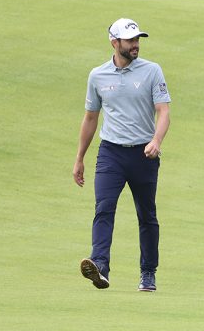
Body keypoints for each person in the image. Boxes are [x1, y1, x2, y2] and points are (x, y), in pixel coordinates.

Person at [73, 18, 171, 292]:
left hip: (144, 154)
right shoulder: (98, 76)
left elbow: (163, 111)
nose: (136, 44)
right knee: (103, 209)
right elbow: (91, 118)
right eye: (130, 41)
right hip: (111, 153)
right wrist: (80, 157)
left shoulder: (152, 71)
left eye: (137, 39)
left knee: (147, 214)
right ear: (115, 43)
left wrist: (156, 140)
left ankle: (148, 272)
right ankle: (100, 266)